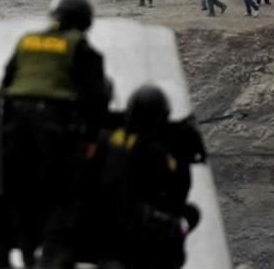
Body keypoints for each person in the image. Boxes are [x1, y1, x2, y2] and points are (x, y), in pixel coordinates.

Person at [0, 0, 107, 268]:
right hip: (54, 126)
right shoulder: (81, 46)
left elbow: (5, 85)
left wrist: (3, 123)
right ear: (85, 21)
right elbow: (96, 98)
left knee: (19, 190)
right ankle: (51, 255)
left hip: (14, 125)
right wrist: (91, 138)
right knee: (65, 191)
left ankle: (23, 252)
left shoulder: (27, 40)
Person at [81, 85, 200, 269]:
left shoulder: (105, 137)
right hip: (131, 230)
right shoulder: (155, 153)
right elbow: (176, 197)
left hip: (95, 228)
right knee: (187, 218)